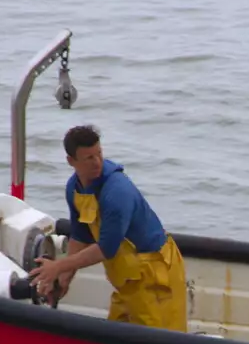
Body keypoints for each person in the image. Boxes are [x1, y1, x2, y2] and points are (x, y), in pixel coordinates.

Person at [27, 125, 188, 331]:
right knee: (117, 342)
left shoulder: (117, 192)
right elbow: (80, 236)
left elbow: (106, 248)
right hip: (127, 282)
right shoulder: (75, 189)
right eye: (89, 158)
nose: (97, 162)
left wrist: (58, 266)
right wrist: (64, 279)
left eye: (99, 154)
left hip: (154, 276)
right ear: (71, 161)